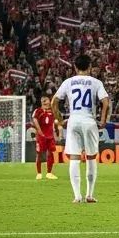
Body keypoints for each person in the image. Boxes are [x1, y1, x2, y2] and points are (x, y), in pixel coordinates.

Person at [52, 54, 110, 205]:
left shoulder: (68, 82)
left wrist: (60, 120)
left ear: (75, 67)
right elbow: (105, 101)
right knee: (91, 158)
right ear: (90, 67)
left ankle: (77, 196)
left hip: (74, 120)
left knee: (74, 158)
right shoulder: (96, 82)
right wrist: (103, 120)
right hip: (89, 121)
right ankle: (89, 195)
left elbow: (54, 102)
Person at [32, 95, 60, 181]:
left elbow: (55, 122)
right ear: (43, 102)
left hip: (50, 136)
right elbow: (34, 119)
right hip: (41, 137)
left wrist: (56, 130)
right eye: (47, 101)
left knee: (50, 153)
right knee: (39, 154)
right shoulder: (38, 111)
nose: (48, 102)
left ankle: (49, 173)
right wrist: (39, 131)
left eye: (48, 100)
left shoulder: (52, 112)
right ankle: (39, 173)